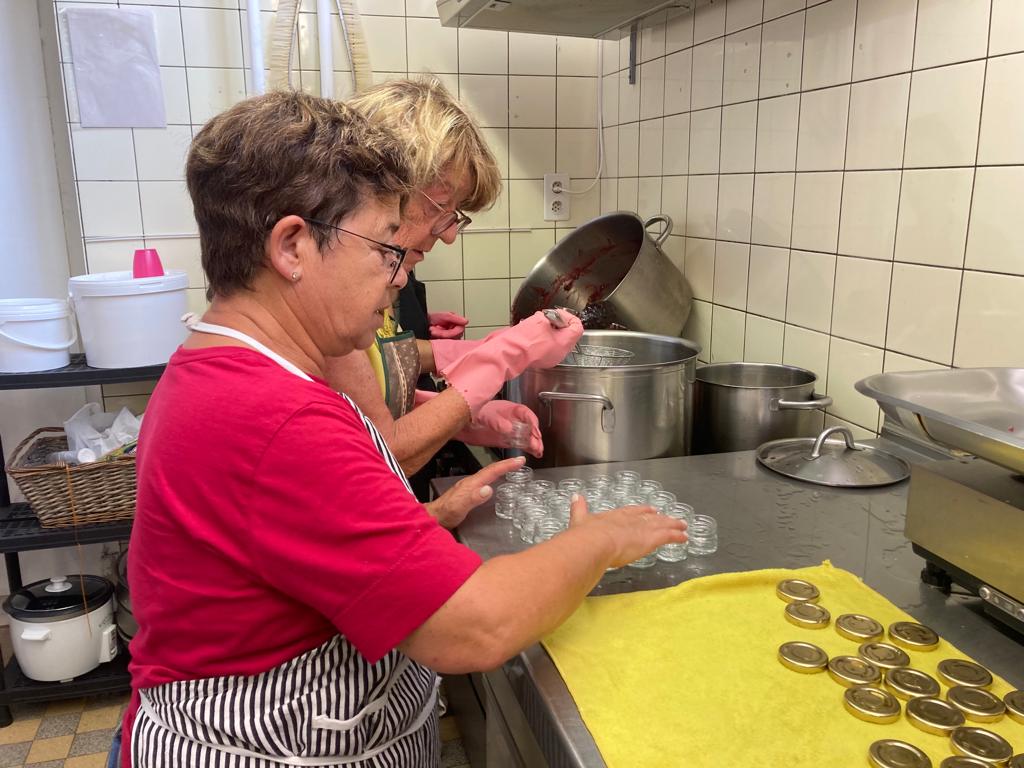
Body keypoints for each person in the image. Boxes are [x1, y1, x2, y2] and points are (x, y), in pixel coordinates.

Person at [120, 91, 685, 767]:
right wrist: (598, 541)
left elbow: (292, 547)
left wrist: (423, 521)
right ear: (293, 247)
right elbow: (476, 628)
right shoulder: (277, 418)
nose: (397, 281)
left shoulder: (228, 368)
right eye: (387, 250)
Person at [326, 78, 581, 496]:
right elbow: (385, 451)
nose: (448, 235)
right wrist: (501, 356)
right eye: (441, 208)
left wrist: (466, 416)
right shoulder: (332, 297)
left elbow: (369, 405)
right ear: (383, 187)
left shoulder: (375, 281)